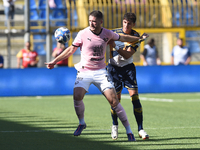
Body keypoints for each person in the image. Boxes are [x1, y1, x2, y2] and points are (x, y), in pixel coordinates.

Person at [45, 10, 148, 141]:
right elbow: (71, 49)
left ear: (100, 22)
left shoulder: (107, 33)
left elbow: (124, 38)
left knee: (114, 101)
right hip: (85, 71)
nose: (91, 24)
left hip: (101, 72)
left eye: (94, 21)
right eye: (90, 21)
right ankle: (82, 123)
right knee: (77, 95)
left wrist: (139, 39)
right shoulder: (82, 33)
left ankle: (129, 131)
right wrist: (54, 61)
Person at [107, 12, 149, 140]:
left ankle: (141, 129)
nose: (126, 25)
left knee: (135, 98)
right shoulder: (114, 33)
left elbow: (127, 55)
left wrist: (115, 46)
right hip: (114, 69)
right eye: (124, 22)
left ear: (133, 24)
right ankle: (115, 126)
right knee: (116, 101)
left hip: (128, 69)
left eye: (129, 23)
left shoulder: (136, 36)